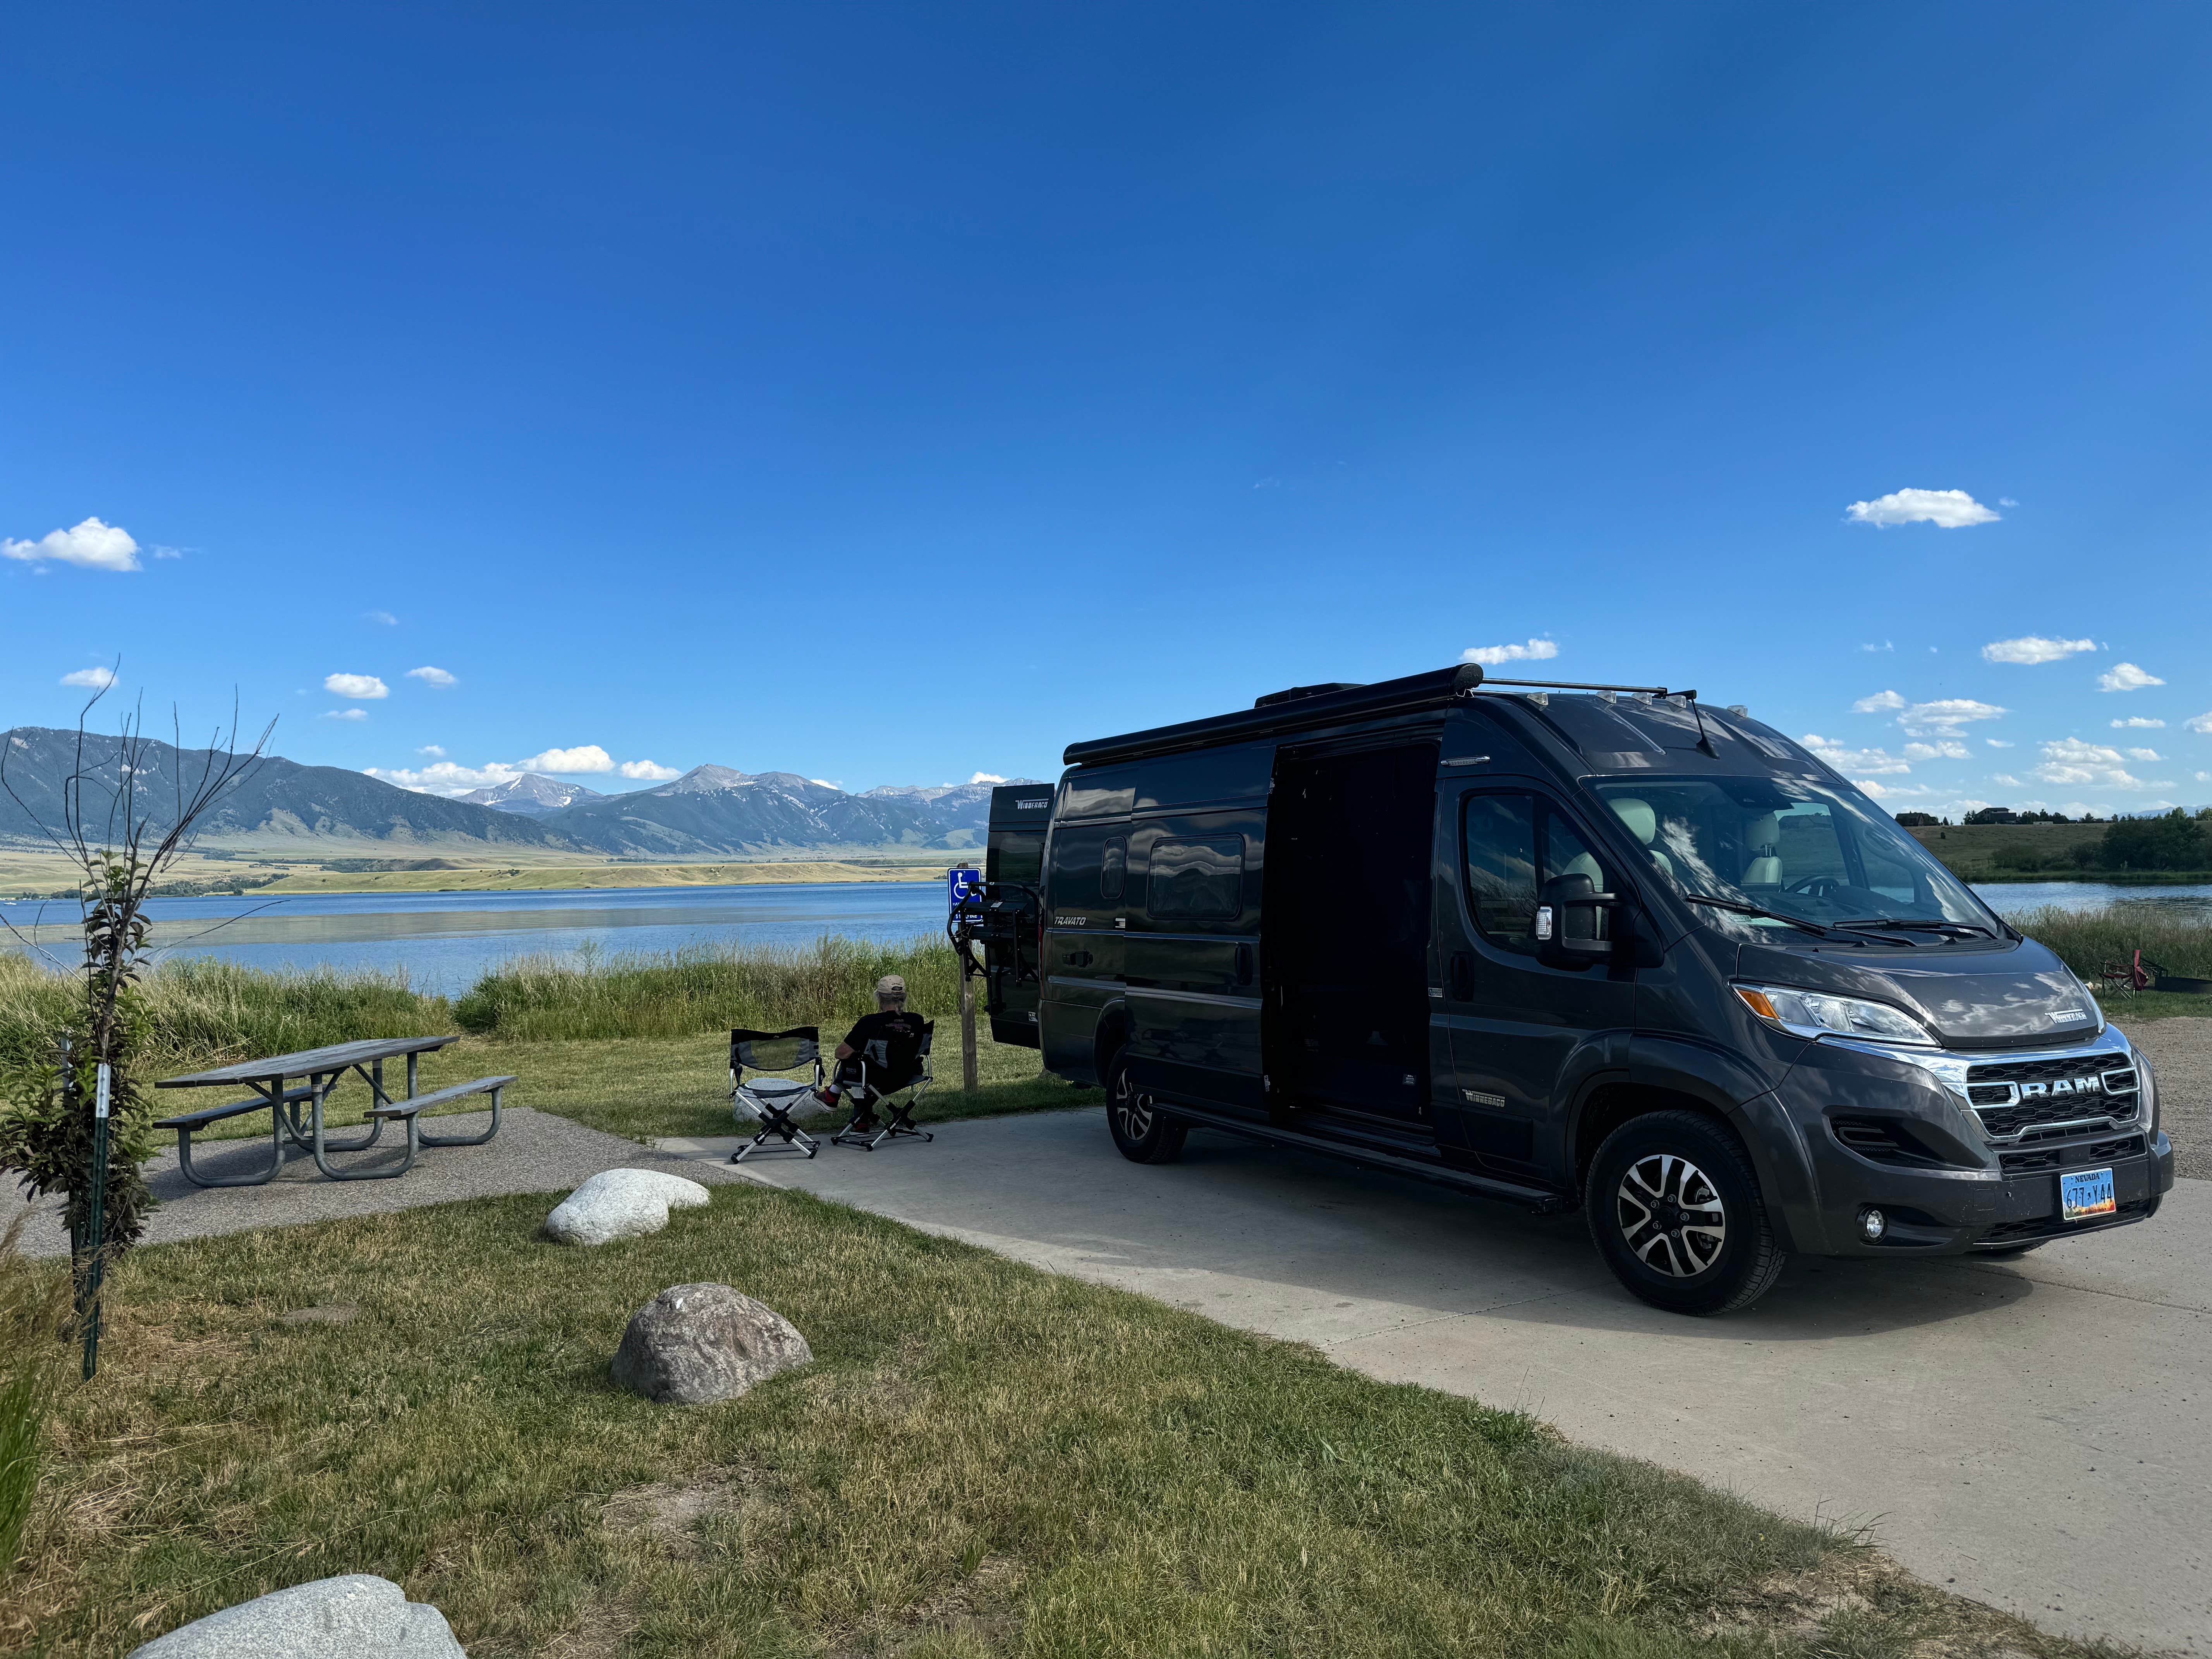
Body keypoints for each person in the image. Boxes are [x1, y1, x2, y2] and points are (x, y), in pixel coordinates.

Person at [815, 974, 926, 1130]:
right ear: (904, 997)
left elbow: (840, 1053)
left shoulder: (870, 1022)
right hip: (908, 1075)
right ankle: (861, 1119)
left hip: (878, 1079)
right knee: (865, 1064)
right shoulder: (917, 1020)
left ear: (879, 997)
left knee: (855, 1062)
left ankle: (835, 1097)